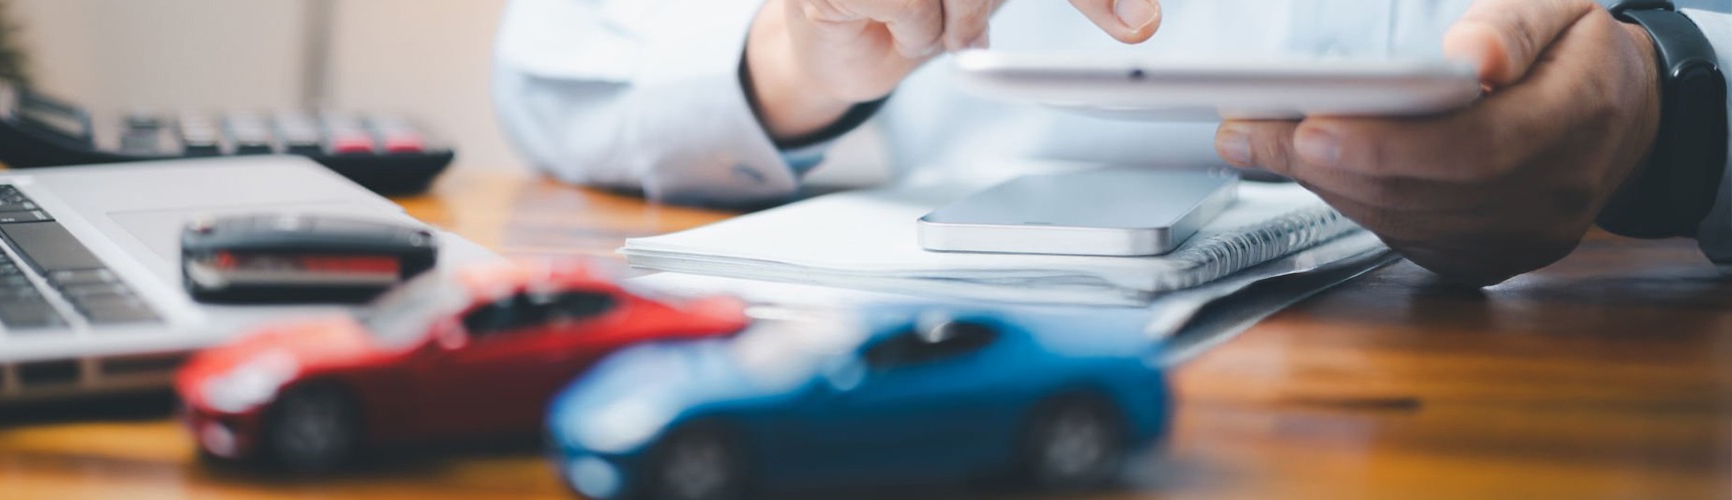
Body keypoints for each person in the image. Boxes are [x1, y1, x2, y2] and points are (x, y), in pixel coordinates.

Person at [493, 0, 1732, 286]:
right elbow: (552, 51)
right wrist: (795, 48)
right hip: (995, 321)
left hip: (1608, 363)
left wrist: (1678, 101)